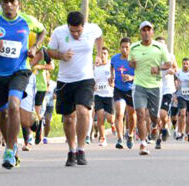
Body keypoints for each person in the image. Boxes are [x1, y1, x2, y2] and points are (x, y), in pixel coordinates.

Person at [0, 0, 46, 169]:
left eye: (12, 1)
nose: (9, 4)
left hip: (20, 71)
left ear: (18, 4)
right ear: (1, 4)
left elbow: (42, 31)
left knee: (14, 104)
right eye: (5, 1)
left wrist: (34, 46)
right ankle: (11, 145)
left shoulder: (27, 20)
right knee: (2, 114)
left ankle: (9, 149)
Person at [47, 11, 104, 166]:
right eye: (72, 31)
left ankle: (81, 149)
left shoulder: (92, 29)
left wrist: (98, 54)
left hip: (85, 78)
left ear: (83, 26)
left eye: (78, 31)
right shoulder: (59, 32)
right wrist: (61, 55)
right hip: (65, 80)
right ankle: (71, 150)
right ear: (68, 27)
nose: (76, 34)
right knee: (68, 118)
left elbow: (99, 36)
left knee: (83, 110)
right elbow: (49, 51)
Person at [128, 21, 171, 155]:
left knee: (154, 116)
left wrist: (158, 68)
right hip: (139, 85)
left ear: (152, 32)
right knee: (140, 114)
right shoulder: (134, 47)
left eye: (149, 30)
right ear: (140, 32)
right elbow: (130, 63)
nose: (146, 33)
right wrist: (132, 64)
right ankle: (143, 144)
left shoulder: (160, 47)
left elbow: (168, 64)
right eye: (143, 30)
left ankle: (154, 125)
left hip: (155, 86)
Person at [111, 38, 135, 149]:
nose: (124, 49)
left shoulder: (134, 60)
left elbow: (141, 74)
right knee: (119, 113)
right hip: (118, 89)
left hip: (131, 89)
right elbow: (112, 66)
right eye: (122, 47)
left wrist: (131, 77)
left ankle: (130, 135)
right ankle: (120, 139)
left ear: (130, 48)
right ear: (119, 47)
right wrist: (111, 77)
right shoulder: (115, 58)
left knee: (131, 115)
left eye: (127, 47)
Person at [93, 46, 114, 147]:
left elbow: (115, 78)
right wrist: (93, 85)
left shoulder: (111, 65)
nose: (103, 55)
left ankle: (113, 124)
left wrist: (113, 83)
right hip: (98, 95)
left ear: (108, 55)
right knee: (100, 116)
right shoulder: (95, 67)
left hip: (109, 95)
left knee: (110, 118)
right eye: (101, 53)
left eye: (105, 53)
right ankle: (102, 138)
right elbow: (91, 80)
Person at [175, 57, 189, 142]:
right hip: (181, 96)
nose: (185, 65)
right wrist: (176, 86)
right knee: (182, 113)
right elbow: (175, 83)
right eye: (184, 64)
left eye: (187, 64)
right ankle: (180, 133)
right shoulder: (178, 73)